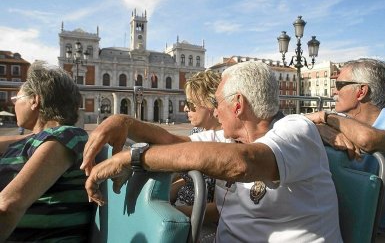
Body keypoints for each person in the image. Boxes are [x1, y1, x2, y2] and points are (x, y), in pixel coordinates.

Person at [82, 61, 342, 242]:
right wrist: (123, 123)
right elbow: (171, 142)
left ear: (238, 105)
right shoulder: (227, 138)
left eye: (217, 103)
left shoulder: (296, 129)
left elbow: (242, 163)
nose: (215, 111)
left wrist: (133, 157)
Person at [305, 58, 385, 242]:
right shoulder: (340, 121)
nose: (334, 91)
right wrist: (316, 127)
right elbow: (287, 127)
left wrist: (326, 116)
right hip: (345, 224)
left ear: (361, 91)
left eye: (340, 85)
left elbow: (367, 139)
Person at [0, 61, 91, 242]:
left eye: (16, 100)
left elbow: (9, 205)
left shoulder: (65, 137)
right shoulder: (33, 140)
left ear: (35, 100)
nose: (15, 105)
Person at [170, 70, 225, 242]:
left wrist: (171, 214)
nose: (185, 108)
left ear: (210, 104)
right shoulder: (197, 131)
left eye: (190, 103)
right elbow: (182, 174)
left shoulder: (228, 144)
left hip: (200, 224)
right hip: (179, 209)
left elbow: (219, 209)